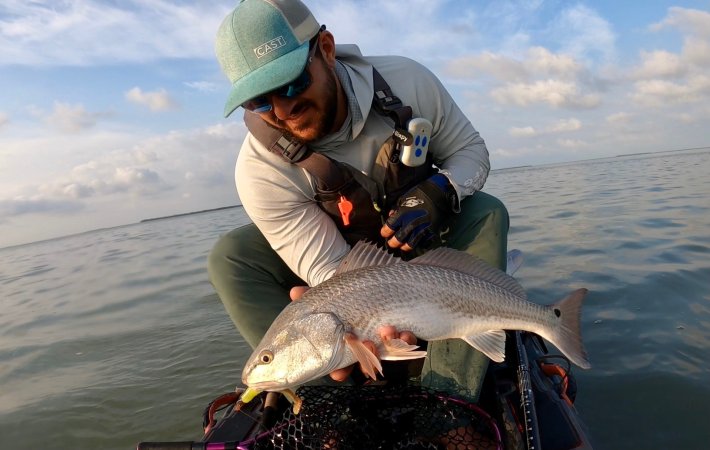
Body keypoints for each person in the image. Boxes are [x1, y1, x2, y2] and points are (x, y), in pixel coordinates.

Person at [209, 0, 509, 399]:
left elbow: (470, 150)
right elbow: (332, 275)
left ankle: (451, 396)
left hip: (426, 245)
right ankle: (324, 396)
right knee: (233, 255)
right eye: (259, 101)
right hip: (347, 273)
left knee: (486, 212)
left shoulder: (409, 80)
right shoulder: (258, 171)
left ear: (327, 49)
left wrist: (442, 190)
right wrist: (372, 320)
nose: (283, 109)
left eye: (291, 82)